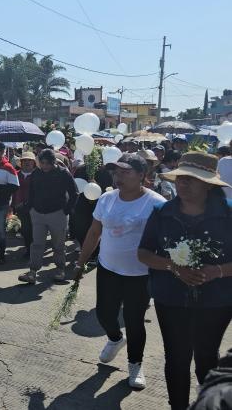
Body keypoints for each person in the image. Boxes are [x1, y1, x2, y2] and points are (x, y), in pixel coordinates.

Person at [138, 151, 232, 410]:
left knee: (206, 359)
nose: (183, 184)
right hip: (171, 298)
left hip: (217, 301)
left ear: (208, 184)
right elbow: (143, 253)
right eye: (180, 178)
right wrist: (172, 266)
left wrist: (218, 271)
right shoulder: (162, 212)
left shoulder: (229, 214)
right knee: (177, 358)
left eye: (191, 179)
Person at [75, 153, 166, 390]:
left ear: (142, 176)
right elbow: (94, 233)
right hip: (108, 269)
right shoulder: (106, 199)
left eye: (126, 172)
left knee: (134, 321)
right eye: (117, 172)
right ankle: (115, 339)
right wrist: (80, 262)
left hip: (139, 274)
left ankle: (135, 364)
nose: (119, 176)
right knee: (104, 314)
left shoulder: (156, 203)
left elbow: (165, 242)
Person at [19, 149, 78, 284]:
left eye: (47, 163)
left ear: (53, 162)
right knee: (37, 244)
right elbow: (31, 192)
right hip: (38, 214)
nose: (45, 166)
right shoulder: (36, 173)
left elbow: (74, 193)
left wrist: (66, 210)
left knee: (58, 245)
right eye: (42, 163)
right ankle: (32, 272)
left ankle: (60, 269)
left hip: (57, 213)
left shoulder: (63, 174)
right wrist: (30, 207)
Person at [12, 152, 37, 259]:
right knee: (25, 230)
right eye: (24, 160)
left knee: (34, 230)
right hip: (19, 207)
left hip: (34, 207)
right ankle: (28, 249)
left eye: (29, 160)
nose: (27, 162)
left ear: (34, 163)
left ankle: (34, 251)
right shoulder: (15, 174)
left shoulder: (38, 175)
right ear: (21, 163)